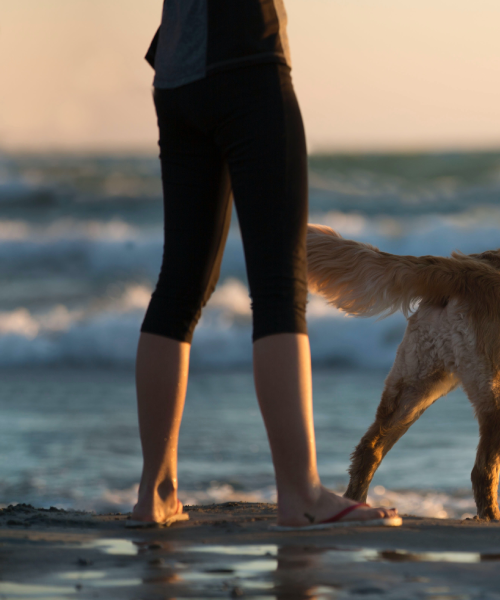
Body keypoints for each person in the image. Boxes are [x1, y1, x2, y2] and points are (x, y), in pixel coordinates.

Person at [129, 0, 399, 529]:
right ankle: (300, 493)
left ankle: (155, 493)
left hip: (177, 77)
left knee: (178, 288)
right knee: (278, 287)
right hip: (247, 58)